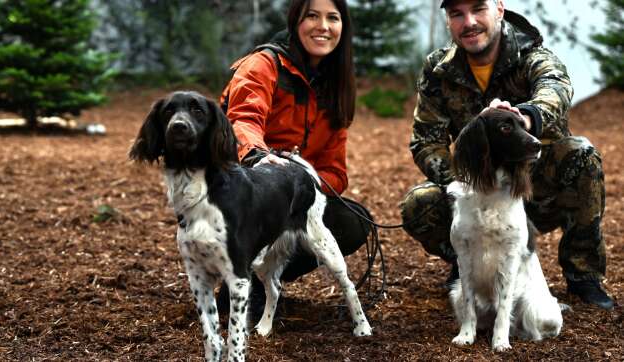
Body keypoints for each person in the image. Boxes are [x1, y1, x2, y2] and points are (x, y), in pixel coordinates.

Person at [399, 0, 614, 310]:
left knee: (581, 154)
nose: (469, 21)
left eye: (478, 9)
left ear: (499, 8)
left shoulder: (531, 54)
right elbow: (425, 142)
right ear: (448, 21)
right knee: (418, 204)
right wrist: (469, 181)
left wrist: (525, 117)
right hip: (479, 194)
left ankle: (583, 275)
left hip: (531, 188)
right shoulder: (439, 69)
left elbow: (556, 88)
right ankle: (470, 261)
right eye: (457, 14)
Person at [218, 0, 372, 317]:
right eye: (312, 16)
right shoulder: (263, 64)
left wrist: (303, 183)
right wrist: (258, 157)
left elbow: (335, 171)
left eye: (333, 18)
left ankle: (267, 275)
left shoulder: (336, 83)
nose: (323, 26)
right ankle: (240, 278)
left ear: (343, 27)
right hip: (242, 188)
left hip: (296, 196)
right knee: (258, 204)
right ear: (295, 22)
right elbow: (242, 122)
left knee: (353, 220)